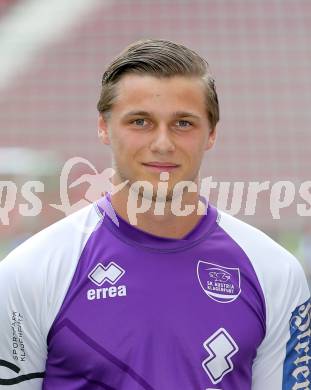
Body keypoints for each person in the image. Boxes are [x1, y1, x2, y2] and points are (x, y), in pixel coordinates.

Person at [0, 39, 310, 390]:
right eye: (140, 121)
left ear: (212, 134)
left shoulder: (275, 272)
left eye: (183, 124)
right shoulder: (31, 272)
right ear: (104, 127)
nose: (162, 143)